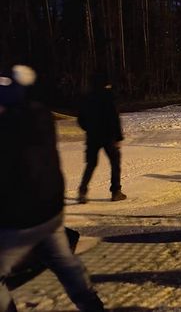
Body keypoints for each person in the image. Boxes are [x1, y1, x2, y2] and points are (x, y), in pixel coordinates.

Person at [0, 65, 105, 312]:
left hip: (20, 222)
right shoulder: (40, 114)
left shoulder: (7, 129)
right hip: (50, 213)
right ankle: (93, 307)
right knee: (65, 263)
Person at [77, 73, 126, 203]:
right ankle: (116, 191)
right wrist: (118, 137)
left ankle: (82, 191)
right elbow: (114, 117)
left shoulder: (87, 97)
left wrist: (89, 128)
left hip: (92, 136)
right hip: (108, 135)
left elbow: (80, 118)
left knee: (91, 164)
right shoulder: (109, 96)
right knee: (115, 163)